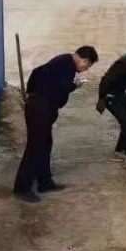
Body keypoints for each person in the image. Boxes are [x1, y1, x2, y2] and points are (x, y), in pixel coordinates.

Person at [14, 45, 99, 203]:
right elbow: (56, 87)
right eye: (87, 67)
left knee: (45, 145)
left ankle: (45, 182)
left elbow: (43, 77)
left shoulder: (64, 62)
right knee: (35, 148)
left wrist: (71, 87)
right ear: (84, 61)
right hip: (39, 108)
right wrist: (73, 86)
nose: (85, 70)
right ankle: (22, 188)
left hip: (42, 106)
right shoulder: (65, 65)